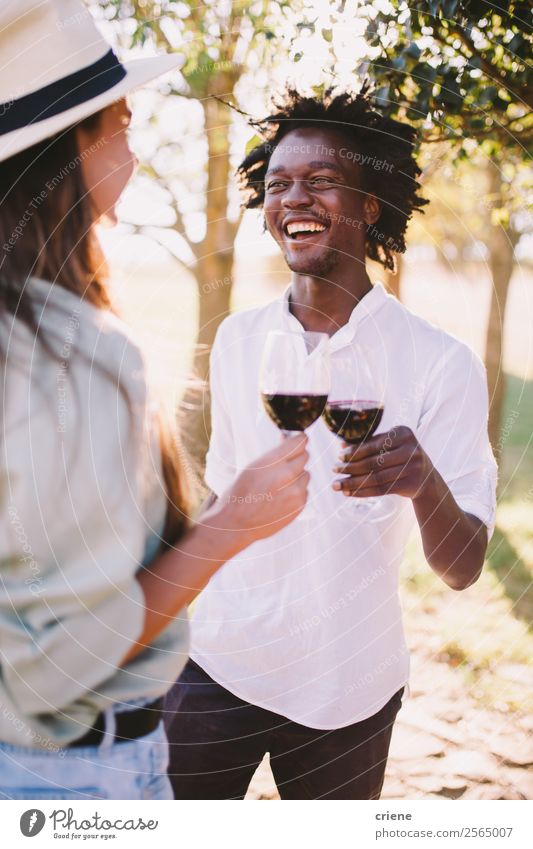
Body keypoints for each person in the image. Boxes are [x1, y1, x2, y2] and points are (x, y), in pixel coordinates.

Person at [0, 1, 309, 800]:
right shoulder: (72, 356)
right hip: (69, 777)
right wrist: (230, 523)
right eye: (124, 125)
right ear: (71, 144)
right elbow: (53, 665)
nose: (135, 152)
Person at [165, 87, 498, 800]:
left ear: (369, 205)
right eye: (279, 184)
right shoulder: (237, 341)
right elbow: (225, 498)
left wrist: (423, 481)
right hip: (221, 662)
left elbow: (464, 565)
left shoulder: (439, 361)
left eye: (320, 181)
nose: (294, 198)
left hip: (350, 684)